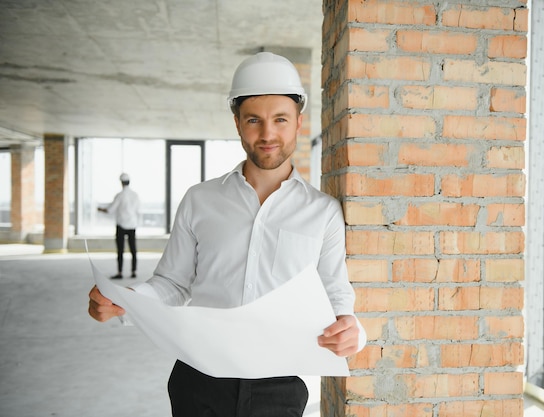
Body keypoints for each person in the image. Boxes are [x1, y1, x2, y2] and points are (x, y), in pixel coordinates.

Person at [88, 52, 365, 417]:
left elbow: (336, 296)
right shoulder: (200, 200)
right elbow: (172, 283)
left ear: (299, 122)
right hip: (198, 378)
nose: (267, 134)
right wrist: (127, 300)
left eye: (280, 120)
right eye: (254, 120)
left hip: (278, 388)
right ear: (237, 123)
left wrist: (353, 331)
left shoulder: (323, 213)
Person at [98, 173, 141, 279]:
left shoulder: (120, 195)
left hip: (121, 225)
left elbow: (110, 210)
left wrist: (100, 209)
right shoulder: (135, 195)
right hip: (132, 224)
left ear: (121, 182)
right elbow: (138, 210)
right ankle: (134, 271)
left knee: (120, 250)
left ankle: (120, 272)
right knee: (133, 249)